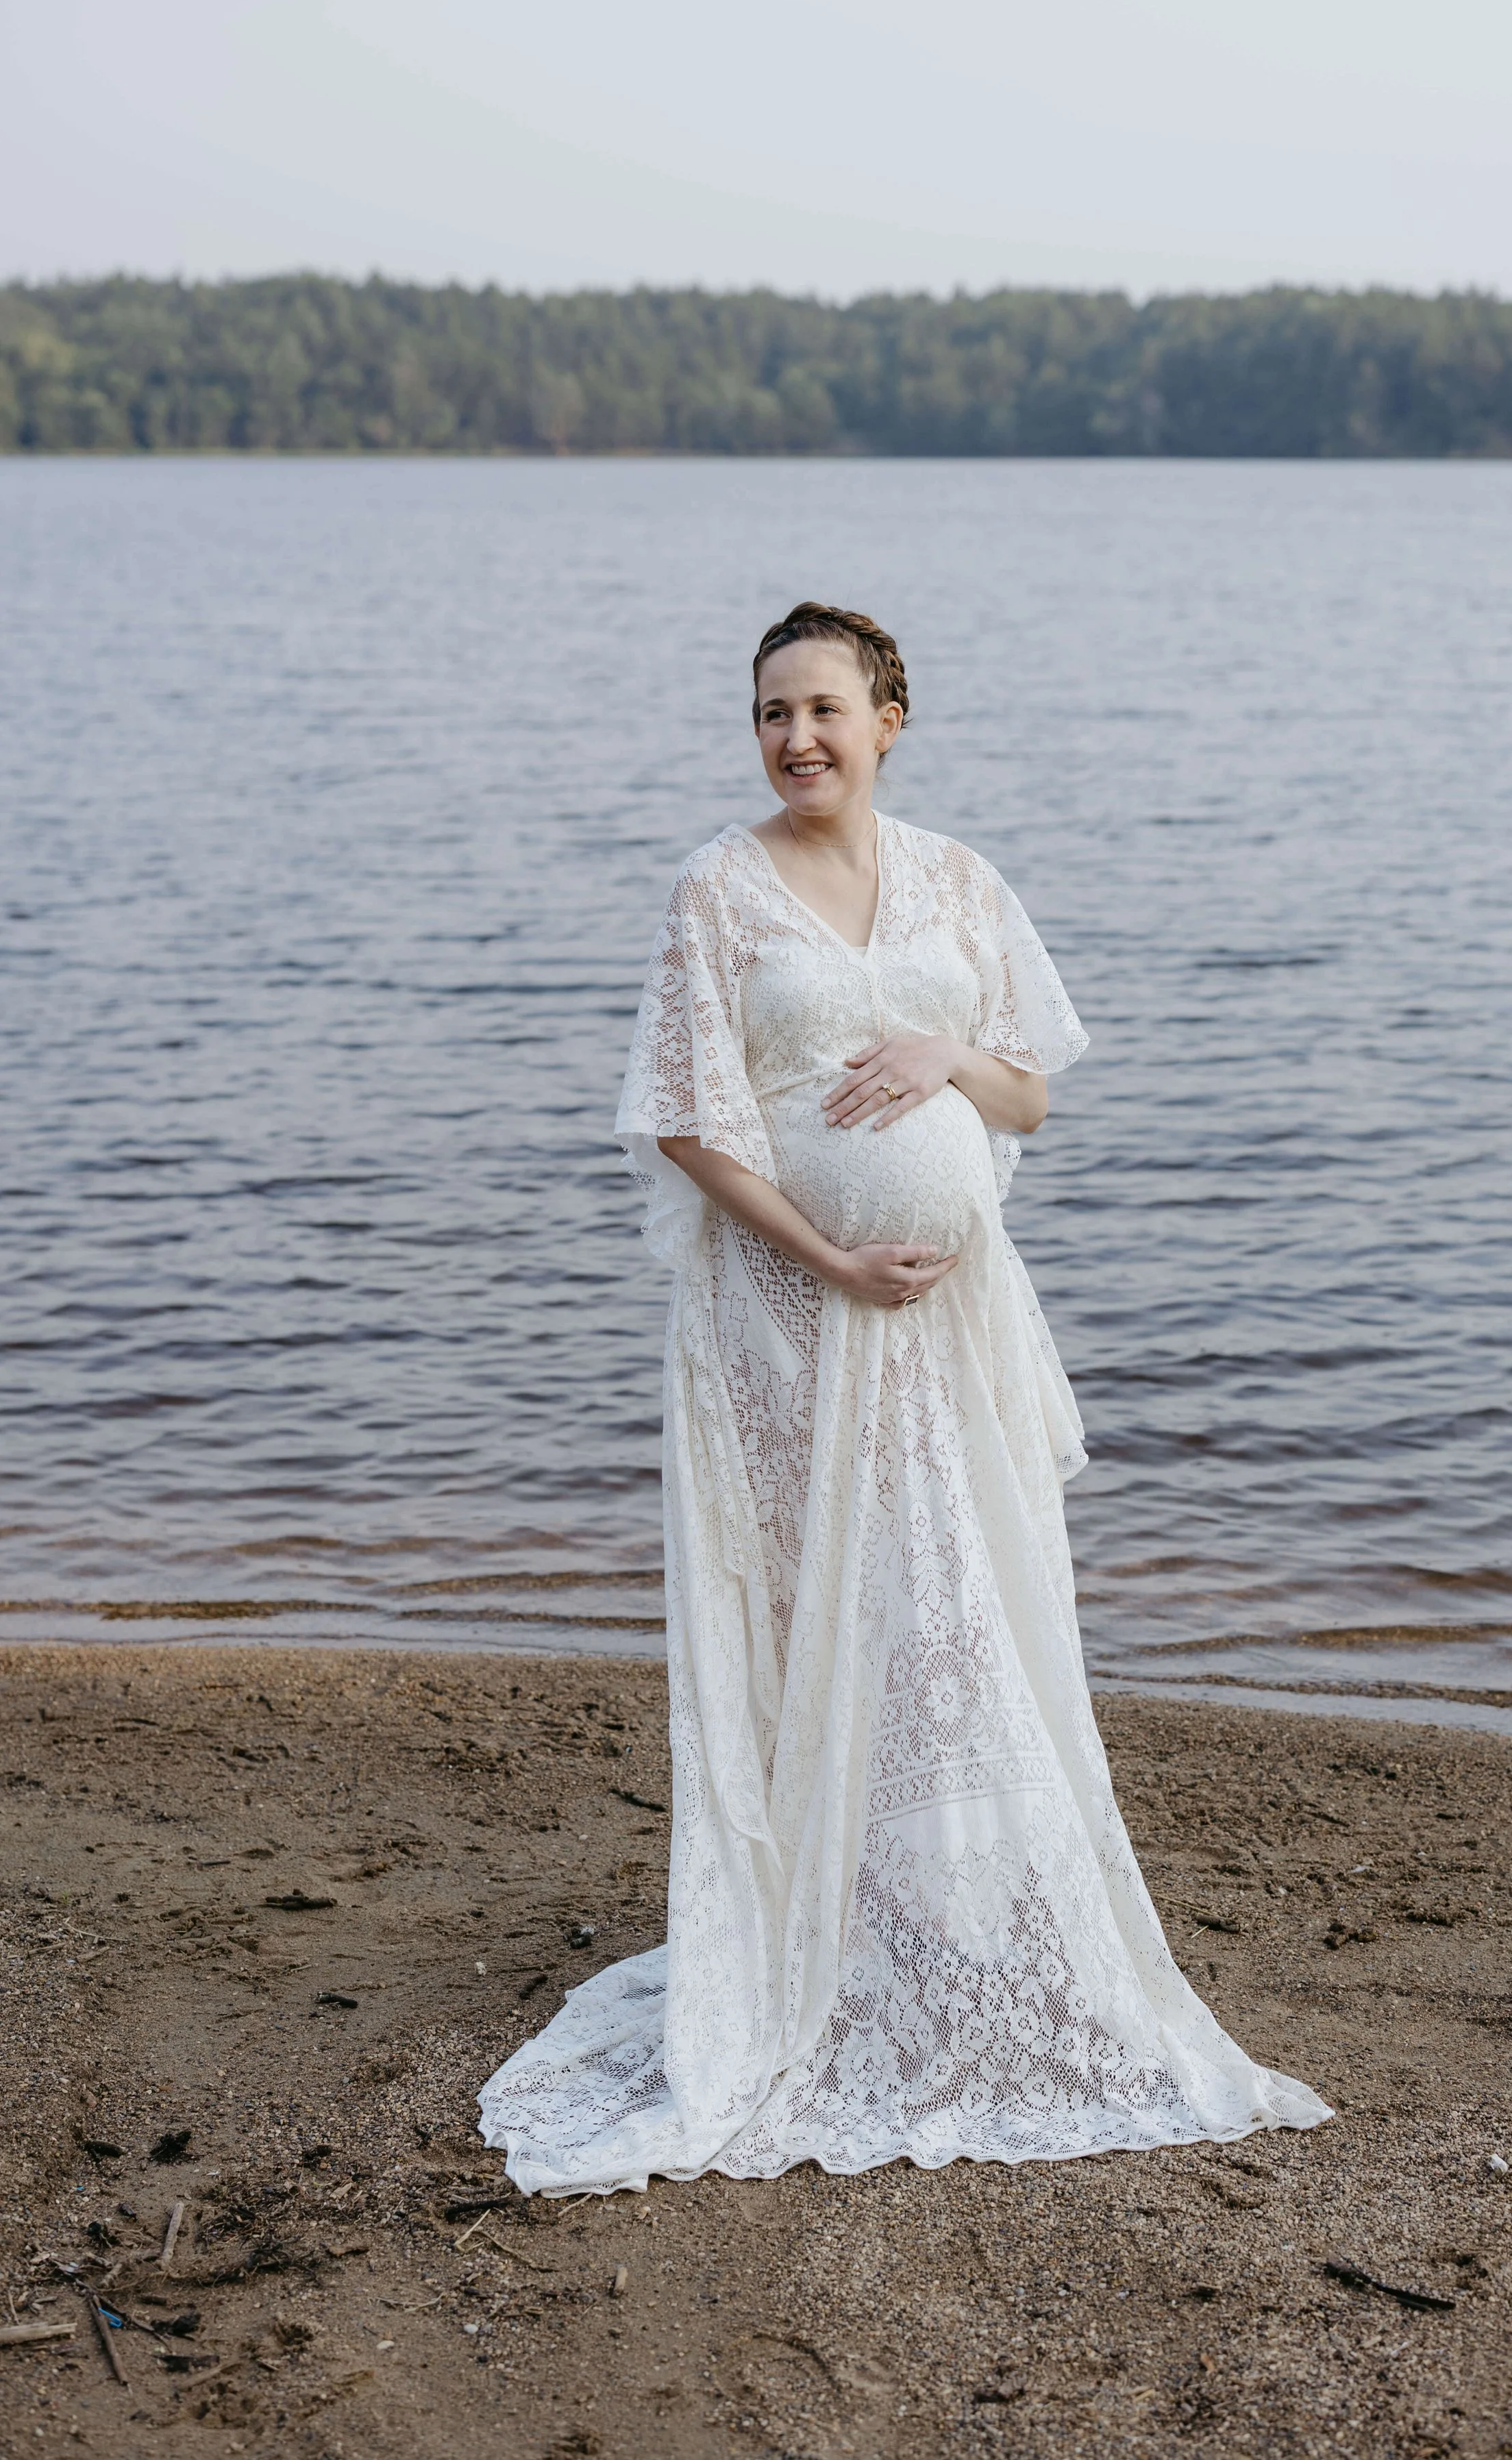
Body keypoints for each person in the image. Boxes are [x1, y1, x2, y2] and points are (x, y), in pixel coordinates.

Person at [479, 602, 1328, 2190]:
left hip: (948, 1327)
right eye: (766, 714)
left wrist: (946, 1055)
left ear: (887, 717)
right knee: (825, 1614)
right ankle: (825, 1938)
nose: (794, 737)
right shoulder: (716, 890)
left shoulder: (957, 880)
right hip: (785, 1318)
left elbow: (1033, 1097)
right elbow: (687, 1121)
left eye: (821, 709)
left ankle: (955, 1918)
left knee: (964, 1611)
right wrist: (828, 1254)